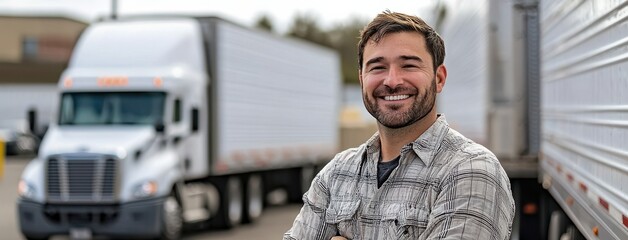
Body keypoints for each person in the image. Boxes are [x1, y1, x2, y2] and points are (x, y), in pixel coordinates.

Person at [283, 11, 515, 240]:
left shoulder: (471, 170)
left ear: (439, 78)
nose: (392, 81)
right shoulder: (336, 174)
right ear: (362, 80)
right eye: (377, 67)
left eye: (409, 65)